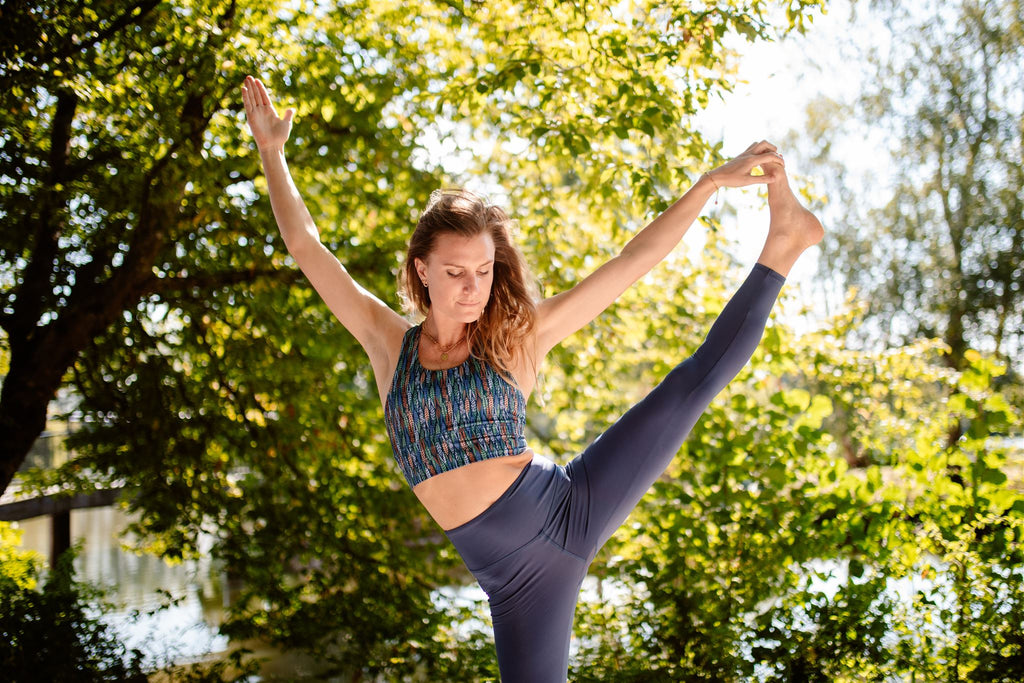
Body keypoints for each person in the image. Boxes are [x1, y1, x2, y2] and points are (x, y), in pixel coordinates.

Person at [241, 75, 823, 682]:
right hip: (509, 585)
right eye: (456, 271)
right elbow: (309, 249)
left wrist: (707, 185)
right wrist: (272, 155)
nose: (473, 287)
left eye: (486, 270)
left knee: (688, 385)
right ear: (422, 270)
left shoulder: (516, 338)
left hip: (565, 512)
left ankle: (783, 244)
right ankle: (785, 240)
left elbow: (631, 262)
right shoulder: (389, 344)